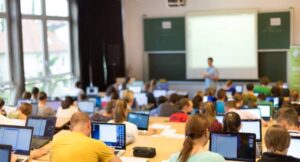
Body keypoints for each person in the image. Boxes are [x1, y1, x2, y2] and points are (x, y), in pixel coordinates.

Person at [50, 112, 122, 162]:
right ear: (89, 125)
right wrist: (111, 154)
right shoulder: (97, 144)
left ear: (70, 128)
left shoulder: (55, 143)